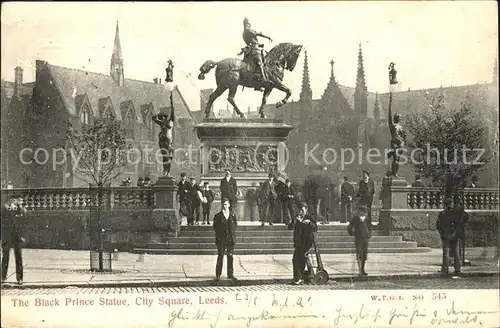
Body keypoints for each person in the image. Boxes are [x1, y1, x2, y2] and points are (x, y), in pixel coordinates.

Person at [288, 202, 317, 285]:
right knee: (296, 259)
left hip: (306, 242)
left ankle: (298, 278)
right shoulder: (296, 218)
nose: (300, 212)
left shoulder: (309, 217)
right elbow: (290, 227)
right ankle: (298, 277)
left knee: (298, 259)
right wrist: (295, 221)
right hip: (298, 242)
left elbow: (315, 228)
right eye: (299, 210)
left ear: (306, 209)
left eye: (302, 210)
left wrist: (310, 223)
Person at [1, 197, 26, 284]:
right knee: (5, 257)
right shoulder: (4, 209)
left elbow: (24, 224)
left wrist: (23, 236)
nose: (20, 202)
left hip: (17, 237)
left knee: (19, 257)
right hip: (6, 236)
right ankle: (2, 277)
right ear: (11, 201)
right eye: (18, 201)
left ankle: (20, 278)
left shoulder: (21, 210)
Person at [240, 17, 272, 83]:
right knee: (259, 61)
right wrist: (268, 37)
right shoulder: (248, 31)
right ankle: (263, 78)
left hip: (254, 48)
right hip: (253, 49)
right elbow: (259, 34)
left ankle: (258, 76)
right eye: (247, 24)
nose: (248, 25)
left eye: (249, 24)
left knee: (264, 61)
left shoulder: (246, 31)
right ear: (245, 24)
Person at [213, 198, 238, 281]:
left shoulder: (233, 215)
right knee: (220, 255)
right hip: (221, 239)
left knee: (230, 256)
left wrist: (232, 237)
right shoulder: (218, 216)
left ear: (229, 205)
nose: (225, 206)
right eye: (223, 204)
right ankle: (218, 274)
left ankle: (230, 274)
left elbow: (235, 227)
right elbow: (215, 227)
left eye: (226, 204)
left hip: (230, 239)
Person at [436, 198, 463, 275]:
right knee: (456, 252)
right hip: (455, 235)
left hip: (445, 235)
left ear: (445, 204)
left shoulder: (442, 213)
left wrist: (442, 233)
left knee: (446, 252)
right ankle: (457, 269)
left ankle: (445, 269)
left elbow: (438, 225)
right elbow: (459, 224)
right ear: (452, 204)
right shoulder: (456, 213)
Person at [152, 97, 175, 176]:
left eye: (163, 117)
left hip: (167, 140)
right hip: (163, 141)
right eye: (161, 118)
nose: (162, 119)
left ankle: (167, 171)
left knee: (167, 157)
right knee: (164, 157)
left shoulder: (170, 121)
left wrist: (171, 101)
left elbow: (172, 113)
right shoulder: (163, 123)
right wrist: (158, 114)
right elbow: (153, 118)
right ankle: (166, 171)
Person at [347, 206, 372, 276]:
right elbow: (349, 227)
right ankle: (360, 270)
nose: (363, 212)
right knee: (359, 254)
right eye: (361, 211)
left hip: (365, 239)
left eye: (364, 211)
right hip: (358, 239)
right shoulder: (355, 219)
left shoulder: (367, 219)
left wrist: (369, 234)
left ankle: (363, 269)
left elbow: (370, 227)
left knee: (364, 255)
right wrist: (352, 233)